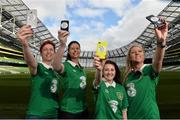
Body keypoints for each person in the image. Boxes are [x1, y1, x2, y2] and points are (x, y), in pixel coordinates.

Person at [123, 18, 168, 119]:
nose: (137, 53)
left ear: (144, 55)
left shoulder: (149, 70)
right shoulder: (127, 77)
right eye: (133, 52)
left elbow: (158, 61)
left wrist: (160, 42)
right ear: (129, 57)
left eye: (140, 51)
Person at [16, 25, 60, 119]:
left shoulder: (56, 72)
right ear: (40, 53)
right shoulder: (38, 67)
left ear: (54, 53)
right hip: (37, 115)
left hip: (53, 115)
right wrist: (25, 44)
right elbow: (31, 63)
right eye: (45, 49)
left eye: (51, 49)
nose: (48, 52)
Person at [52, 30, 88, 119]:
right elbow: (56, 66)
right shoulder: (66, 66)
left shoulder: (81, 69)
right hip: (69, 111)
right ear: (68, 51)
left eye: (77, 48)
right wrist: (62, 45)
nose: (75, 50)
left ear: (80, 50)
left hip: (83, 109)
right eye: (72, 48)